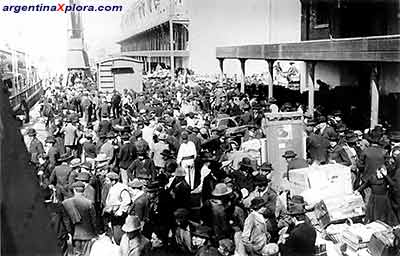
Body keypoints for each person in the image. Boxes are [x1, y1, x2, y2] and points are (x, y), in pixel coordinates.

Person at [62, 181, 98, 256]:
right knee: (87, 253)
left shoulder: (66, 203)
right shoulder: (89, 203)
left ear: (74, 190)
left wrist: (69, 232)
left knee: (77, 254)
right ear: (84, 190)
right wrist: (95, 232)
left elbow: (66, 221)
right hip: (88, 234)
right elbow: (94, 220)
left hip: (75, 234)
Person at [103, 172, 132, 245]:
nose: (106, 182)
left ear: (113, 181)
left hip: (118, 216)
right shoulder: (112, 187)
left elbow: (127, 201)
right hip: (112, 213)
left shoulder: (121, 188)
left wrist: (120, 211)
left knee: (118, 234)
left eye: (107, 181)